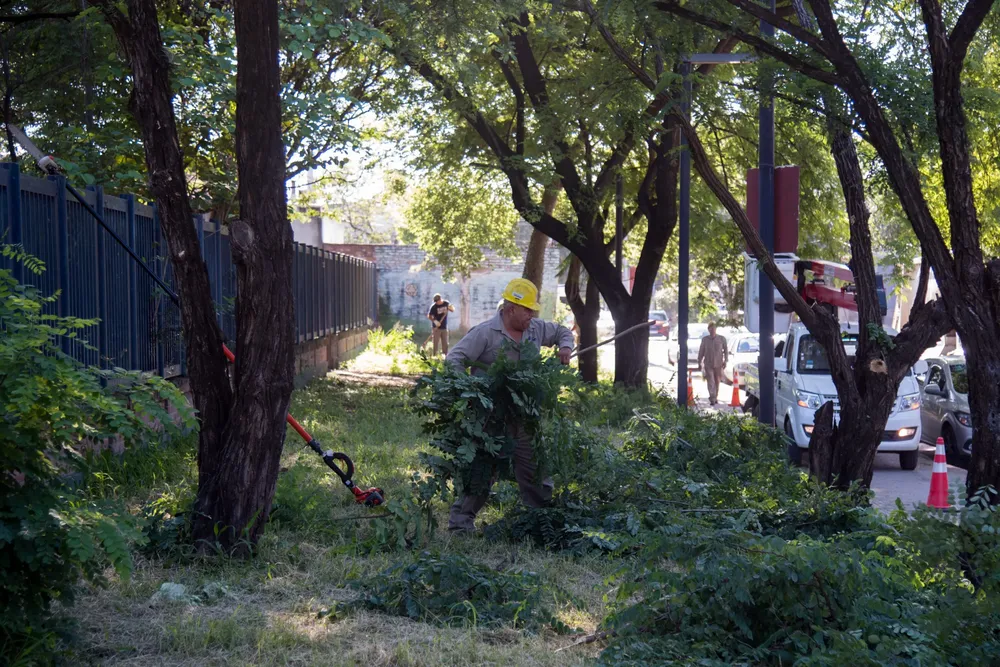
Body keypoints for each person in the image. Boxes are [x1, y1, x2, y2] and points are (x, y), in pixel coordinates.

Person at [445, 278, 575, 532]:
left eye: (532, 310)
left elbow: (562, 332)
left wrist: (565, 347)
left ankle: (543, 522)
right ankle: (460, 525)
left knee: (534, 467)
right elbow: (454, 359)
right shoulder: (484, 333)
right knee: (482, 469)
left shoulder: (535, 329)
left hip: (525, 416)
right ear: (510, 308)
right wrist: (471, 391)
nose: (531, 314)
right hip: (490, 417)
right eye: (527, 309)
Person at [698, 322, 729, 405]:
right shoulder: (705, 340)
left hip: (718, 364)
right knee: (711, 381)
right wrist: (699, 361)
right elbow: (701, 351)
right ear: (708, 330)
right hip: (708, 364)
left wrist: (725, 361)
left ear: (716, 329)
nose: (712, 330)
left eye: (714, 328)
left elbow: (726, 351)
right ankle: (712, 398)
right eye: (711, 329)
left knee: (717, 381)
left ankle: (715, 397)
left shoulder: (721, 339)